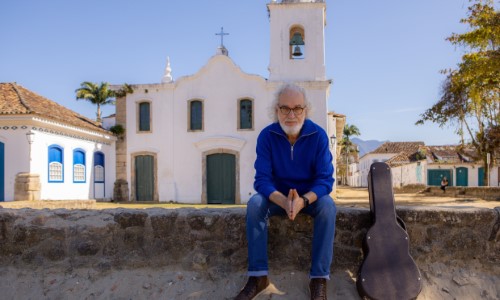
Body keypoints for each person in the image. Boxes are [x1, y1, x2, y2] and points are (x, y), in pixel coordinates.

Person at [235, 83, 337, 300]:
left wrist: (303, 201)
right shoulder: (267, 136)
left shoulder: (318, 136)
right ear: (276, 110)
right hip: (277, 198)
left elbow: (325, 180)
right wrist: (283, 201)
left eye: (297, 108)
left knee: (328, 205)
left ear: (306, 110)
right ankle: (258, 277)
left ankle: (318, 278)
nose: (291, 115)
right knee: (255, 204)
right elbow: (261, 179)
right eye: (285, 108)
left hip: (308, 199)